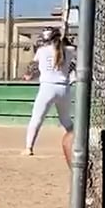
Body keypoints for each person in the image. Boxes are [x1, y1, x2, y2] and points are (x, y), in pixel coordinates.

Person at [24, 27, 75, 165]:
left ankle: (29, 148)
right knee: (66, 120)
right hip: (64, 88)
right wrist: (66, 40)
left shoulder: (41, 51)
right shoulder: (69, 50)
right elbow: (73, 50)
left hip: (47, 88)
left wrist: (29, 75)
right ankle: (77, 143)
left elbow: (34, 68)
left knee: (36, 118)